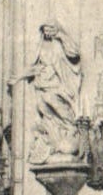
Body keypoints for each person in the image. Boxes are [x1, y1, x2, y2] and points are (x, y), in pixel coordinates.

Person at [12, 20, 83, 167]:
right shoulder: (41, 46)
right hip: (43, 84)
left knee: (51, 99)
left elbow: (74, 53)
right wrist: (19, 77)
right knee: (41, 106)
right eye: (45, 30)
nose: (47, 33)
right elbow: (35, 66)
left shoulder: (60, 43)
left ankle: (70, 125)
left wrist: (61, 36)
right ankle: (56, 137)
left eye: (50, 29)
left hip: (58, 84)